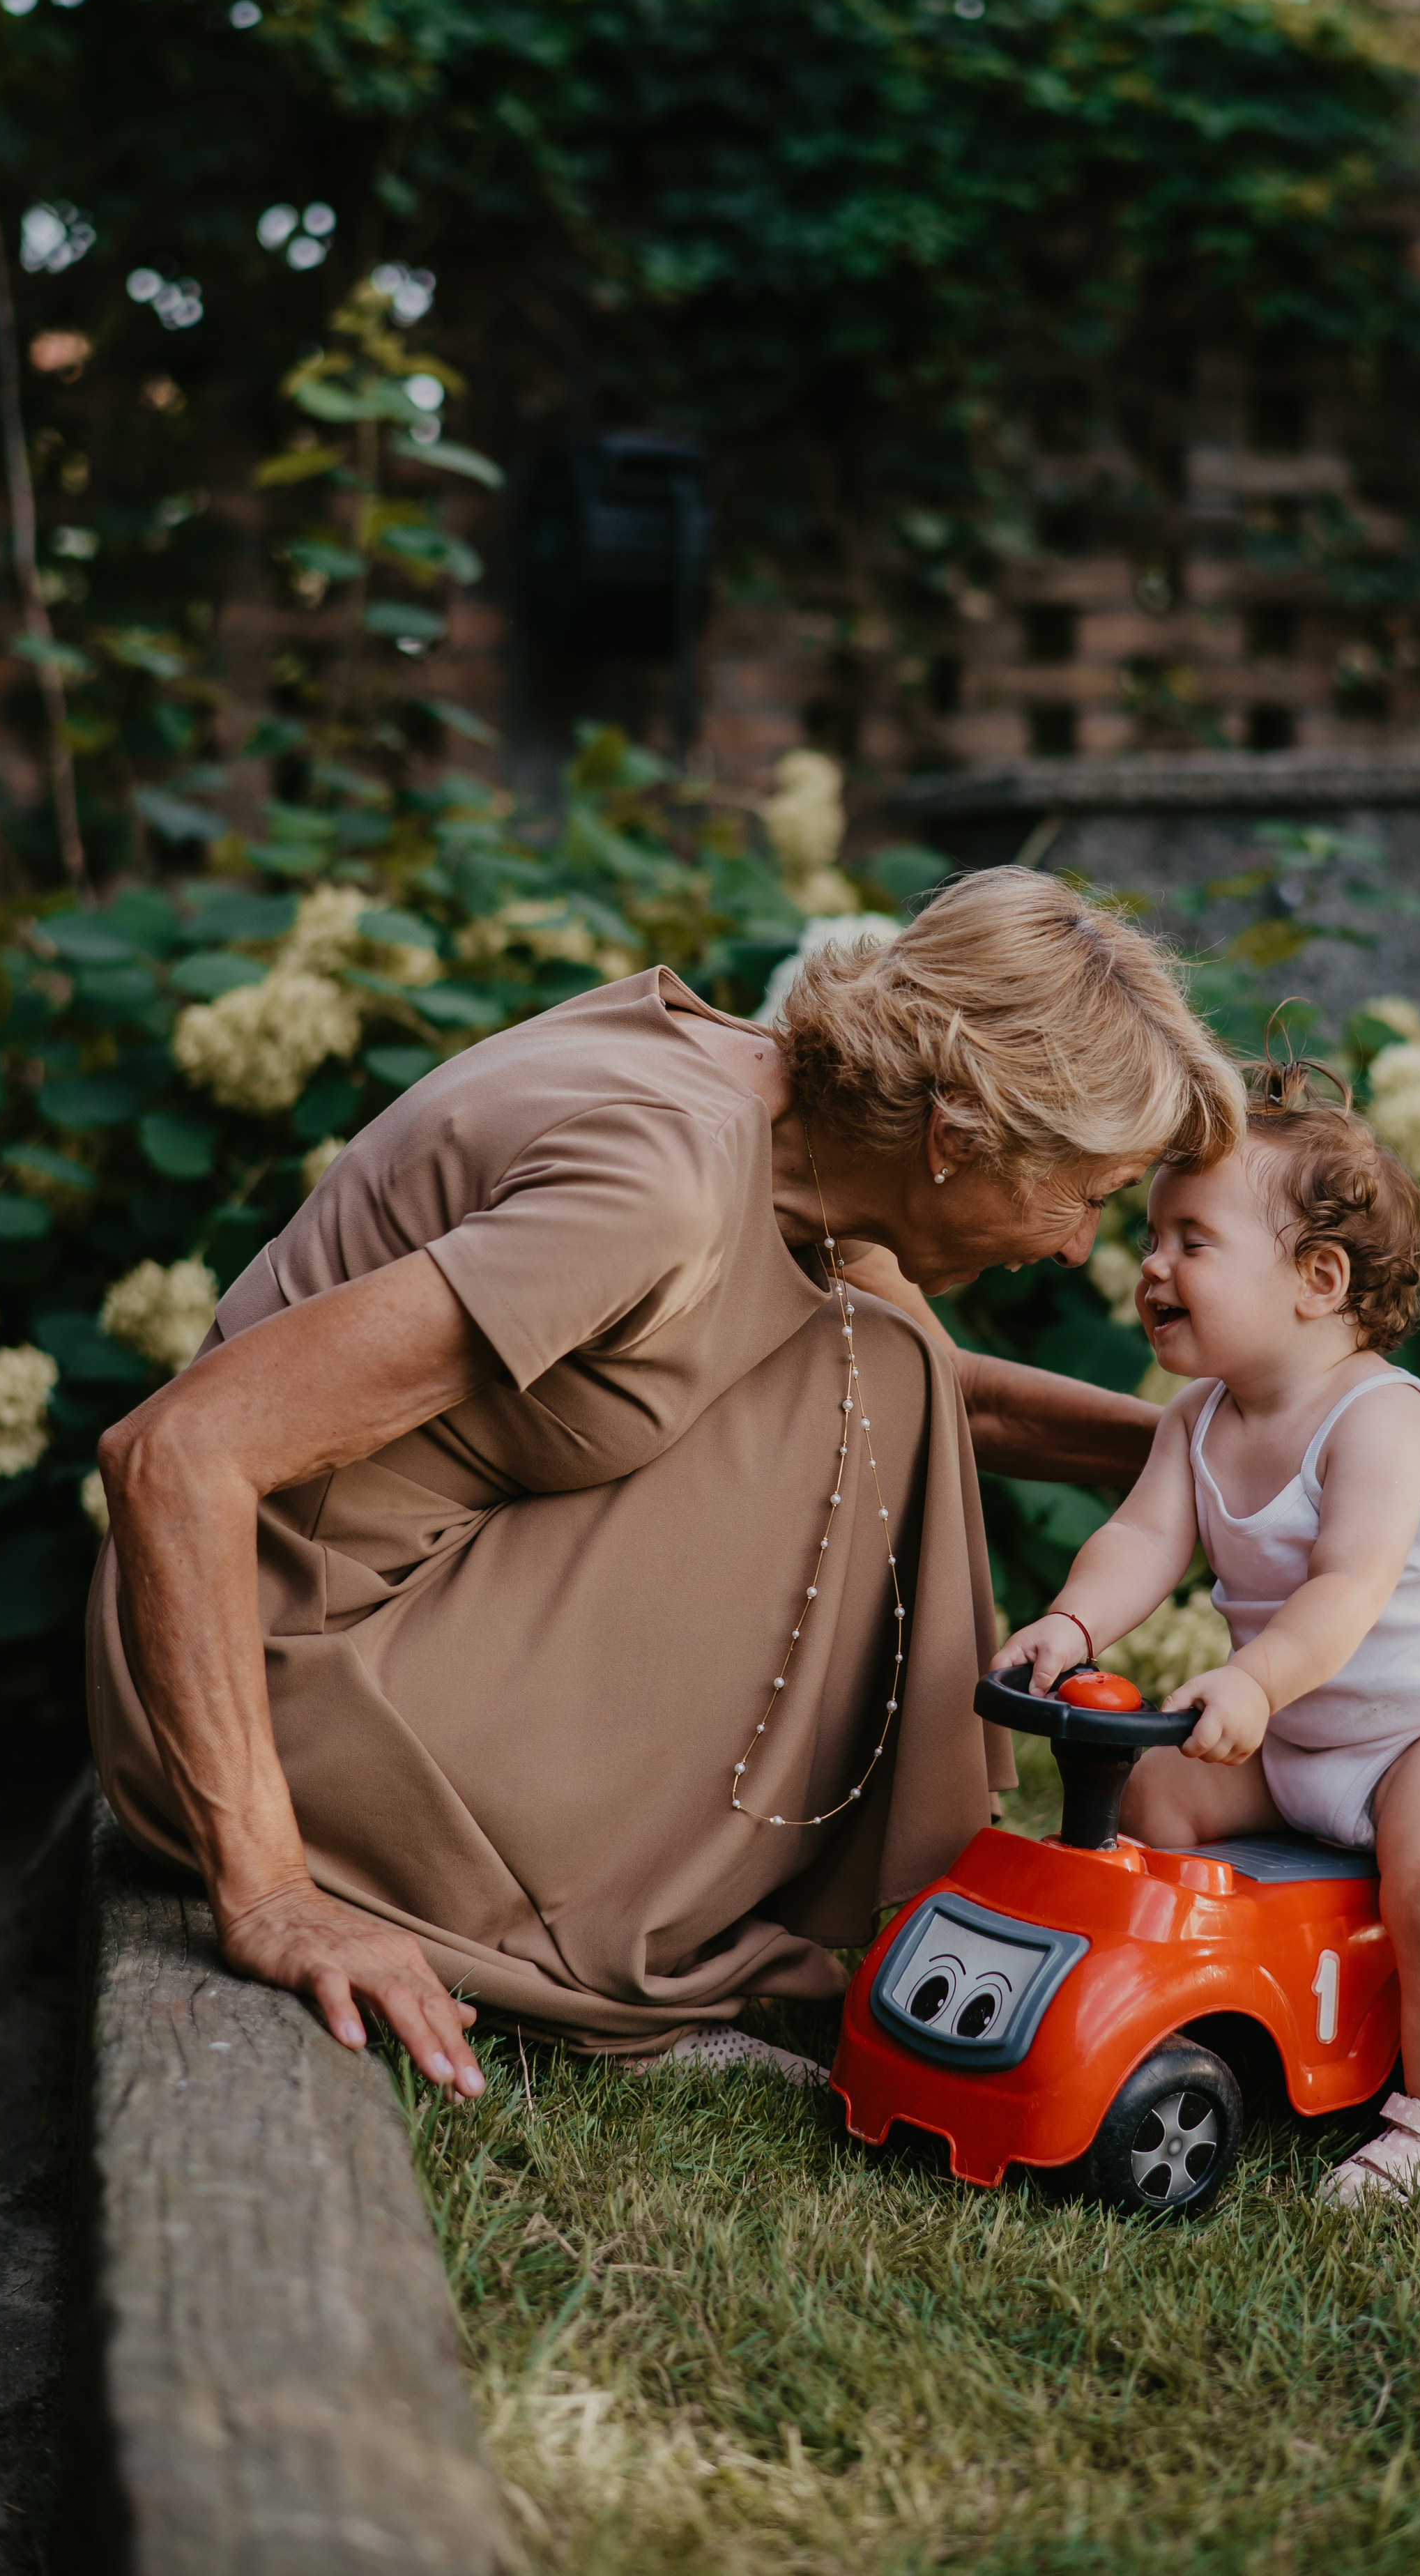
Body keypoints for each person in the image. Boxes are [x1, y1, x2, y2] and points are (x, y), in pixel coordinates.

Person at [91, 868, 1243, 2098]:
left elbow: (965, 1395)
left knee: (887, 1357)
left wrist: (1266, 1452)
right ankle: (622, 1936)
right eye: (1088, 1197)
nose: (1076, 1244)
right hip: (288, 1699)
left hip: (348, 1623)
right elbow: (178, 1454)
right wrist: (266, 1892)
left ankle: (707, 1893)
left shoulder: (793, 1118)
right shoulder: (663, 1186)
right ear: (957, 1141)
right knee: (881, 1362)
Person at [995, 1063, 1420, 2205]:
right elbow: (1142, 1543)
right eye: (1151, 1236)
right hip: (1299, 1731)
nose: (1151, 1265)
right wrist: (1069, 1619)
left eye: (1190, 1239)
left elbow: (1347, 1589)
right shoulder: (1199, 1419)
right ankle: (1192, 1988)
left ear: (1318, 1278)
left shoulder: (1379, 1419)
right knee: (1151, 1799)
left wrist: (1252, 1679)